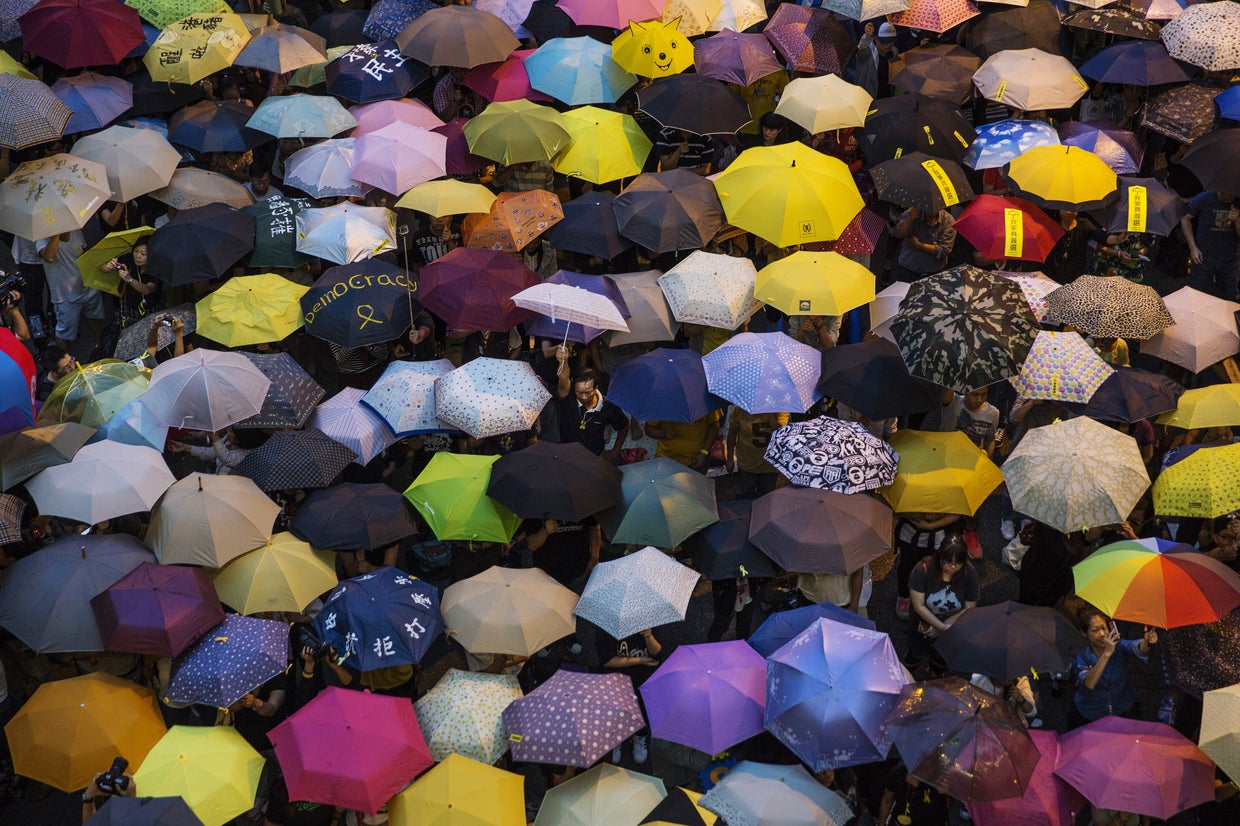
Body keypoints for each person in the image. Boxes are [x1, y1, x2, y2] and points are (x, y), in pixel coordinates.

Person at [1069, 606, 1158, 728]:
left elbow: (1136, 647)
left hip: (1122, 708)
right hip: (1090, 715)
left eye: (1104, 628)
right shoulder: (1081, 656)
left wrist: (1147, 642)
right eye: (1095, 630)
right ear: (1084, 633)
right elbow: (1089, 683)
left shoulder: (1117, 645)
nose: (1102, 634)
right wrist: (1107, 654)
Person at [906, 535, 979, 674]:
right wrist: (942, 628)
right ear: (940, 557)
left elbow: (969, 607)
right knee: (915, 653)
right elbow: (918, 605)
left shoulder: (969, 573)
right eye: (948, 562)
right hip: (923, 624)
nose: (953, 567)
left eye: (958, 563)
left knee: (941, 658)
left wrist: (943, 629)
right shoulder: (923, 569)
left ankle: (936, 673)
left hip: (951, 626)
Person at [36, 229, 105, 355]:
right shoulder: (42, 240)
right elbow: (49, 257)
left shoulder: (75, 232)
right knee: (64, 331)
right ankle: (65, 360)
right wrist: (55, 235)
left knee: (94, 317)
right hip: (65, 296)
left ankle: (102, 346)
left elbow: (83, 251)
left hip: (86, 286)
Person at [553, 359, 631, 460]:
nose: (583, 397)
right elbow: (563, 380)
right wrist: (563, 360)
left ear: (596, 387)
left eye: (588, 392)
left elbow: (623, 426)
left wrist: (615, 451)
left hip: (595, 457)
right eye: (579, 392)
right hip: (567, 456)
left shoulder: (608, 406)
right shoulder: (568, 398)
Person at [1182, 190, 1240, 301]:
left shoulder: (1238, 203)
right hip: (1203, 256)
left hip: (1230, 259)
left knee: (1231, 296)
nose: (1221, 194)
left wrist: (1237, 220)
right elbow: (1185, 218)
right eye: (1220, 190)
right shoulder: (1205, 198)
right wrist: (1193, 247)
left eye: (1225, 192)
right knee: (1195, 293)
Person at [891, 207, 955, 280]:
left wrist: (918, 245)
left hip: (934, 273)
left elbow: (944, 250)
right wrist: (910, 219)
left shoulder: (948, 220)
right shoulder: (911, 213)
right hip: (908, 269)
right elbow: (898, 234)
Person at [854, 22, 900, 99]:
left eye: (891, 42)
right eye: (884, 42)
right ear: (876, 39)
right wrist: (867, 38)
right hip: (868, 98)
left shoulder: (894, 52)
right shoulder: (868, 54)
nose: (888, 45)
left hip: (887, 97)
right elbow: (861, 52)